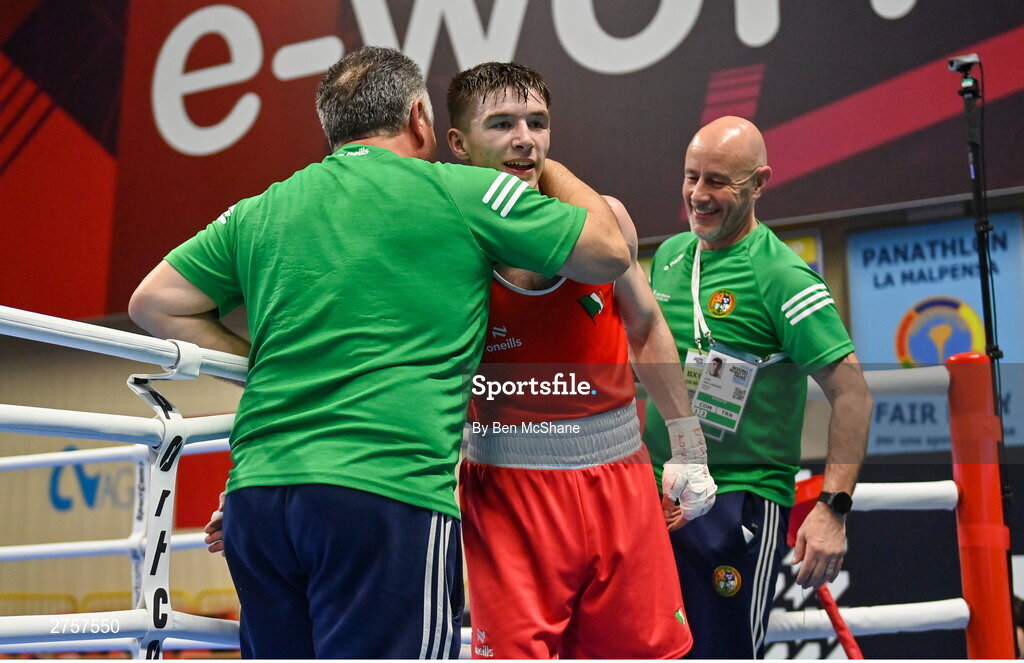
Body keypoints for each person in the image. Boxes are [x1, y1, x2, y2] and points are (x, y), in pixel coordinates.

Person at [128, 46, 630, 659]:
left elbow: (154, 301)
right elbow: (608, 249)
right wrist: (546, 164)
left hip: (257, 499)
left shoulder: (262, 209)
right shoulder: (460, 190)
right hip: (384, 491)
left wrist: (265, 367)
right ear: (421, 118)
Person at [446, 62, 716, 659]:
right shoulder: (444, 247)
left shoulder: (604, 219)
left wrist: (690, 448)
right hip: (508, 495)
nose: (526, 138)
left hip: (619, 477)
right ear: (459, 143)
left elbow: (645, 326)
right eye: (503, 123)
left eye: (537, 122)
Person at [642, 115, 873, 658]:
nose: (699, 194)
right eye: (690, 176)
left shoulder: (784, 277)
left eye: (718, 181)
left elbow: (853, 393)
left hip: (737, 499)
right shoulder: (670, 259)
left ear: (760, 182)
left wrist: (834, 509)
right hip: (652, 494)